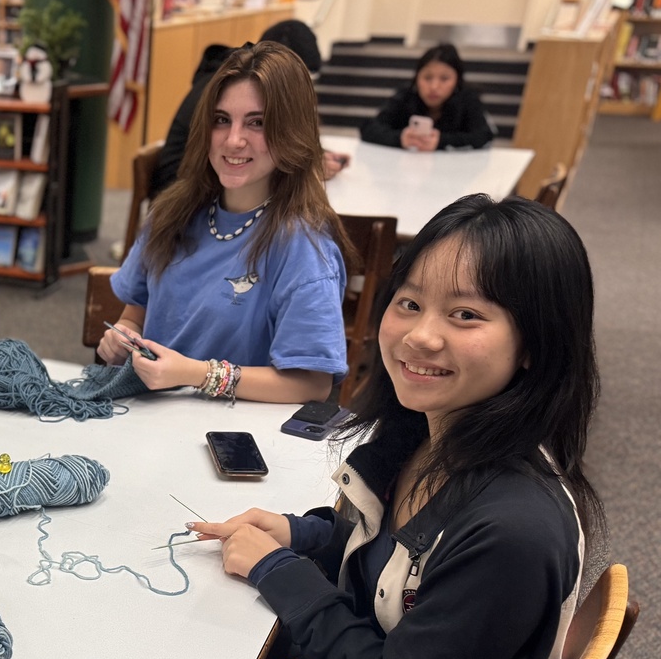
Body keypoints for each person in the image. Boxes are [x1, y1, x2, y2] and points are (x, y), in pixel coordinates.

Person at [186, 194, 597, 659]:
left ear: (534, 342)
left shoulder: (513, 530)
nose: (421, 335)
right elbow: (377, 556)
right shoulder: (431, 436)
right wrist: (296, 531)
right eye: (409, 302)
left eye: (466, 316)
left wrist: (281, 571)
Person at [101, 42, 350, 404]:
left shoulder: (303, 247)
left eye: (257, 123)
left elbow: (312, 383)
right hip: (145, 420)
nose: (234, 140)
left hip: (229, 435)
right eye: (222, 120)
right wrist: (122, 337)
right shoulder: (171, 213)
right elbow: (134, 315)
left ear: (292, 132)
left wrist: (196, 374)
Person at [150, 21, 347, 199]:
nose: (234, 139)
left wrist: (316, 157)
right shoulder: (227, 88)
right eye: (223, 120)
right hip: (181, 194)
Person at [361, 42, 494, 151]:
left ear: (457, 81)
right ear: (417, 78)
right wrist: (400, 138)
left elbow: (483, 136)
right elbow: (369, 128)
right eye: (427, 77)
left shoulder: (468, 99)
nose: (434, 87)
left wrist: (441, 141)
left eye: (444, 78)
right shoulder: (406, 96)